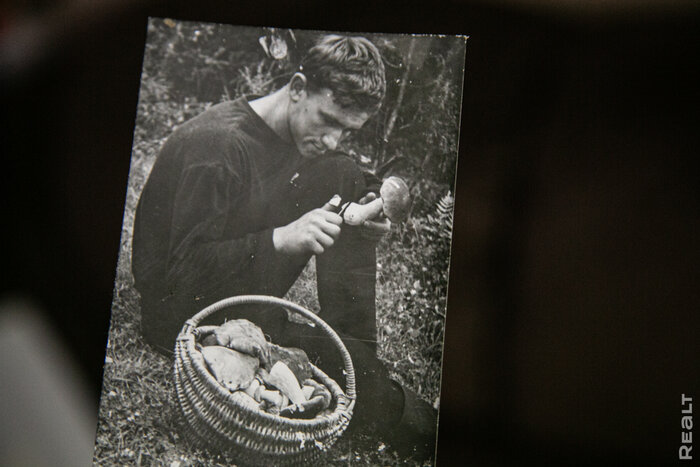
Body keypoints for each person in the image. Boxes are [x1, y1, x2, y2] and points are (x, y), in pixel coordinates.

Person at [132, 34, 436, 460]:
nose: (332, 139)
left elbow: (342, 170)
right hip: (180, 310)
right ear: (297, 88)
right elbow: (179, 274)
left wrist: (370, 202)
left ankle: (352, 348)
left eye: (347, 130)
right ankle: (418, 421)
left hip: (236, 284)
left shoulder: (289, 131)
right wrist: (280, 239)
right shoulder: (218, 148)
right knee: (363, 381)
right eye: (328, 120)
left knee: (342, 173)